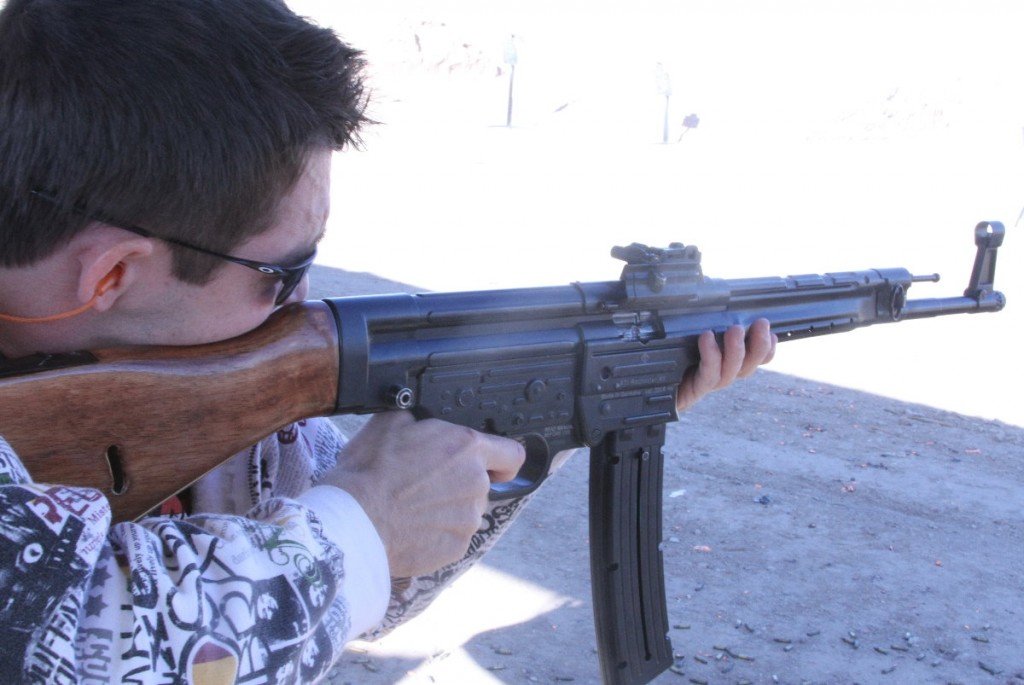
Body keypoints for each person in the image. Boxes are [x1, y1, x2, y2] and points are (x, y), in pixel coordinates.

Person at [0, 0, 777, 681]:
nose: (303, 301)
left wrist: (555, 409)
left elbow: (363, 582)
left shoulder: (198, 379)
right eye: (285, 268)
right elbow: (52, 639)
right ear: (110, 274)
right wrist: (352, 533)